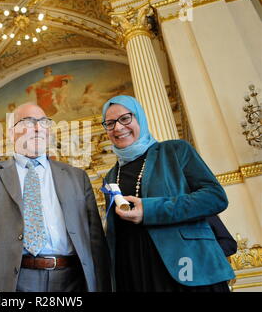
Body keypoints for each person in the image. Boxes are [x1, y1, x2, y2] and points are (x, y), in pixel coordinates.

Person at [0, 102, 111, 292]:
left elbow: (96, 243)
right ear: (12, 133)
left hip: (72, 281)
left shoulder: (78, 178)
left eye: (44, 122)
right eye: (28, 122)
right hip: (14, 282)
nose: (38, 128)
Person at [101, 95, 235, 292]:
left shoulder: (175, 150)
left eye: (125, 118)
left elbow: (215, 197)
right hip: (135, 272)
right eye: (110, 123)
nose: (118, 128)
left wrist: (149, 210)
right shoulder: (111, 176)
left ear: (140, 118)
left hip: (189, 268)